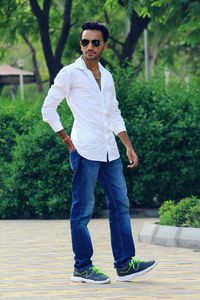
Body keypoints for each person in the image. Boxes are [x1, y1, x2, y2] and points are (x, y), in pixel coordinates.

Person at [42, 21, 156, 284]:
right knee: (82, 211)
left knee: (120, 205)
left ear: (104, 45)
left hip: (110, 152)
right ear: (80, 44)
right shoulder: (70, 73)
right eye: (85, 42)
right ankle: (82, 267)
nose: (89, 47)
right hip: (84, 151)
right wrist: (68, 141)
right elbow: (48, 109)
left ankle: (125, 264)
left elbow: (113, 112)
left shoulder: (107, 76)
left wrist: (127, 144)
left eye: (95, 42)